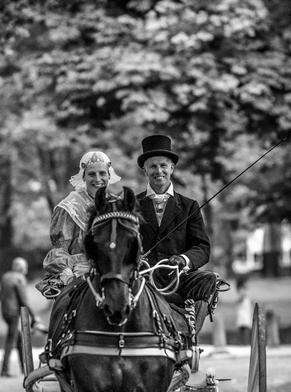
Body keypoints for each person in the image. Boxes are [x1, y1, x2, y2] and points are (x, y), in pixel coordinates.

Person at [136, 134, 218, 334]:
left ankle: (188, 334)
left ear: (172, 168)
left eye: (163, 165)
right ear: (144, 169)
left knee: (209, 280)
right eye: (153, 166)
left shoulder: (189, 206)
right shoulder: (132, 205)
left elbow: (202, 247)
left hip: (179, 279)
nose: (159, 171)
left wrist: (183, 259)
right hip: (144, 280)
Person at [36, 150, 122, 298]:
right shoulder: (69, 208)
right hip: (81, 273)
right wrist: (68, 275)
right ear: (83, 176)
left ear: (109, 175)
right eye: (91, 174)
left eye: (102, 173)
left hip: (115, 270)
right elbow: (59, 251)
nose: (98, 179)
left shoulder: (118, 206)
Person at [0, 257, 47, 377]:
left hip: (5, 312)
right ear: (20, 268)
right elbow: (23, 300)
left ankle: (24, 369)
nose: (26, 270)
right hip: (14, 313)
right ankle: (4, 370)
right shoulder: (19, 278)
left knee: (19, 339)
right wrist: (34, 316)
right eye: (25, 268)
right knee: (11, 340)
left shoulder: (6, 277)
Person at [236, 277, 253, 344]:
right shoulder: (242, 289)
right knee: (244, 325)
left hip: (244, 307)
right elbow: (242, 296)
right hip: (243, 308)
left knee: (244, 325)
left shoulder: (242, 289)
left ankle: (243, 342)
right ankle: (245, 342)